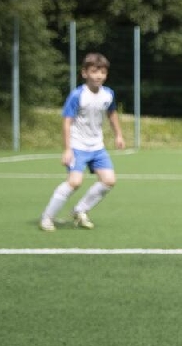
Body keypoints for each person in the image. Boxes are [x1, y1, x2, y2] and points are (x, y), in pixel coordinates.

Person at [39, 53, 126, 231]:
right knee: (75, 182)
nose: (98, 76)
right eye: (94, 71)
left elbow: (112, 114)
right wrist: (67, 149)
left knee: (109, 180)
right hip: (78, 146)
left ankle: (80, 210)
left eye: (102, 72)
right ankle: (47, 217)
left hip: (97, 146)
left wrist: (118, 135)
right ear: (85, 73)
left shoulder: (108, 94)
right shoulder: (77, 95)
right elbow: (67, 121)